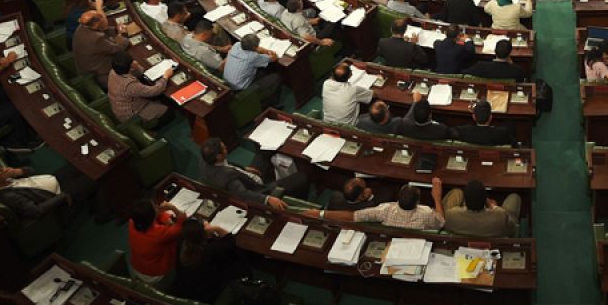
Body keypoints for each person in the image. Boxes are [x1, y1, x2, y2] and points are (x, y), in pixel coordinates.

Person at [199, 137, 303, 206]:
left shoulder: (205, 162)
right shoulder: (229, 179)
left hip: (244, 175)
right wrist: (268, 199)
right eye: (224, 148)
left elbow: (226, 165)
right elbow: (244, 194)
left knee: (264, 149)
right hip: (259, 188)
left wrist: (244, 169)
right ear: (219, 156)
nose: (226, 148)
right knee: (301, 177)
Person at [315, 179, 444, 231]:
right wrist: (437, 198)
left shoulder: (383, 210)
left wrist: (319, 213)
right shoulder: (427, 213)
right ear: (418, 202)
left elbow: (354, 216)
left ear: (397, 199)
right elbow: (441, 223)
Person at [127, 199, 184, 284]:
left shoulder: (133, 221)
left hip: (138, 266)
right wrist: (173, 208)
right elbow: (184, 223)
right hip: (156, 274)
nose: (158, 207)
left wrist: (165, 217)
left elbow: (154, 216)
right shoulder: (161, 233)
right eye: (155, 207)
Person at [108, 53, 174, 126]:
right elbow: (155, 91)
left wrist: (137, 67)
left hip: (122, 107)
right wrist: (165, 76)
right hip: (131, 114)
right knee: (169, 113)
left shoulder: (113, 72)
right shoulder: (130, 85)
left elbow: (141, 73)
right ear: (130, 66)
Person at [442, 179, 521, 238]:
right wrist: (494, 206)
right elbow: (512, 229)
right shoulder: (500, 215)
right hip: (495, 242)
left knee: (456, 192)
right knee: (514, 197)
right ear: (485, 199)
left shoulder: (451, 215)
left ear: (465, 202)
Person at [73, 12, 131, 80]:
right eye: (102, 19)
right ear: (96, 23)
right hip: (100, 74)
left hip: (87, 66)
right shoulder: (96, 39)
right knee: (131, 64)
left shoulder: (83, 26)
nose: (104, 19)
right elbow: (117, 49)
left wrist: (115, 29)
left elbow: (101, 29)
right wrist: (124, 34)